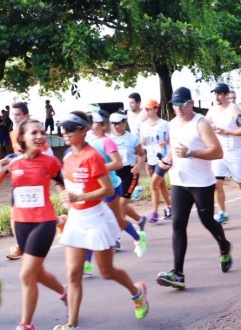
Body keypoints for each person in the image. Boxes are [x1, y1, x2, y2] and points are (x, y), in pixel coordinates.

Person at [56, 111, 149, 329]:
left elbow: (107, 189)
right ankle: (72, 324)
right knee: (72, 274)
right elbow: (68, 185)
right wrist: (66, 198)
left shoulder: (93, 156)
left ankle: (137, 292)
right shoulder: (68, 157)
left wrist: (80, 197)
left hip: (96, 218)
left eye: (71, 128)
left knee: (107, 272)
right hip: (76, 219)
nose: (65, 132)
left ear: (83, 130)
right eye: (63, 128)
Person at [156, 87, 233, 289]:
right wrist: (166, 161)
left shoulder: (201, 123)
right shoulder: (172, 124)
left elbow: (217, 152)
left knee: (207, 220)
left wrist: (191, 153)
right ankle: (178, 273)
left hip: (201, 183)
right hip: (180, 181)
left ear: (190, 103)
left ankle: (224, 246)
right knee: (178, 224)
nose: (178, 108)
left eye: (182, 104)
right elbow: (174, 148)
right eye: (175, 105)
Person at [0, 119, 66, 330]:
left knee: (26, 274)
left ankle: (26, 324)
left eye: (42, 132)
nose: (39, 136)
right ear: (22, 138)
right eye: (33, 133)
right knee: (36, 273)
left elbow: (61, 182)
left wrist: (64, 196)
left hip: (43, 222)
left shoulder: (50, 161)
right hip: (21, 223)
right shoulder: (12, 162)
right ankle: (65, 293)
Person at [85, 109, 146, 266]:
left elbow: (117, 163)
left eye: (95, 123)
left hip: (110, 186)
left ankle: (138, 238)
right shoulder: (90, 141)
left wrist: (99, 169)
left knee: (117, 219)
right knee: (95, 222)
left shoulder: (107, 141)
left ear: (102, 126)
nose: (91, 126)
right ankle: (87, 262)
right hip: (95, 186)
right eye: (90, 123)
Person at [7, 102, 54, 261]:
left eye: (18, 115)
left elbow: (50, 157)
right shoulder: (14, 132)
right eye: (13, 115)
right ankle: (20, 244)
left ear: (26, 116)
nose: (15, 117)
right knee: (14, 212)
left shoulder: (37, 134)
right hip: (20, 177)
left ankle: (57, 221)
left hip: (37, 180)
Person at [205, 83, 241, 224]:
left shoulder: (234, 110)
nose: (217, 97)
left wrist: (226, 131)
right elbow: (204, 124)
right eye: (215, 94)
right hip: (219, 153)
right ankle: (222, 213)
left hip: (235, 152)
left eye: (220, 94)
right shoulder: (212, 110)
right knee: (216, 183)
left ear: (226, 95)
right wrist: (210, 127)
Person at [109, 112, 148, 232]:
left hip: (130, 173)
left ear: (124, 123)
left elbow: (142, 155)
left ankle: (117, 237)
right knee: (118, 204)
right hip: (115, 174)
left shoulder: (132, 139)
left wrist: (138, 165)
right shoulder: (108, 139)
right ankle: (140, 219)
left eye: (117, 123)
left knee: (120, 204)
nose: (115, 126)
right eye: (112, 123)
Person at [139, 99, 172, 223]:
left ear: (156, 109)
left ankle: (154, 212)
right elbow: (143, 142)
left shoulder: (165, 124)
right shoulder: (143, 125)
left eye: (149, 109)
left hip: (163, 158)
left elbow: (172, 138)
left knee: (153, 185)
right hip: (151, 158)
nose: (147, 111)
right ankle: (169, 207)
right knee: (161, 184)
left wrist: (166, 142)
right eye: (145, 109)